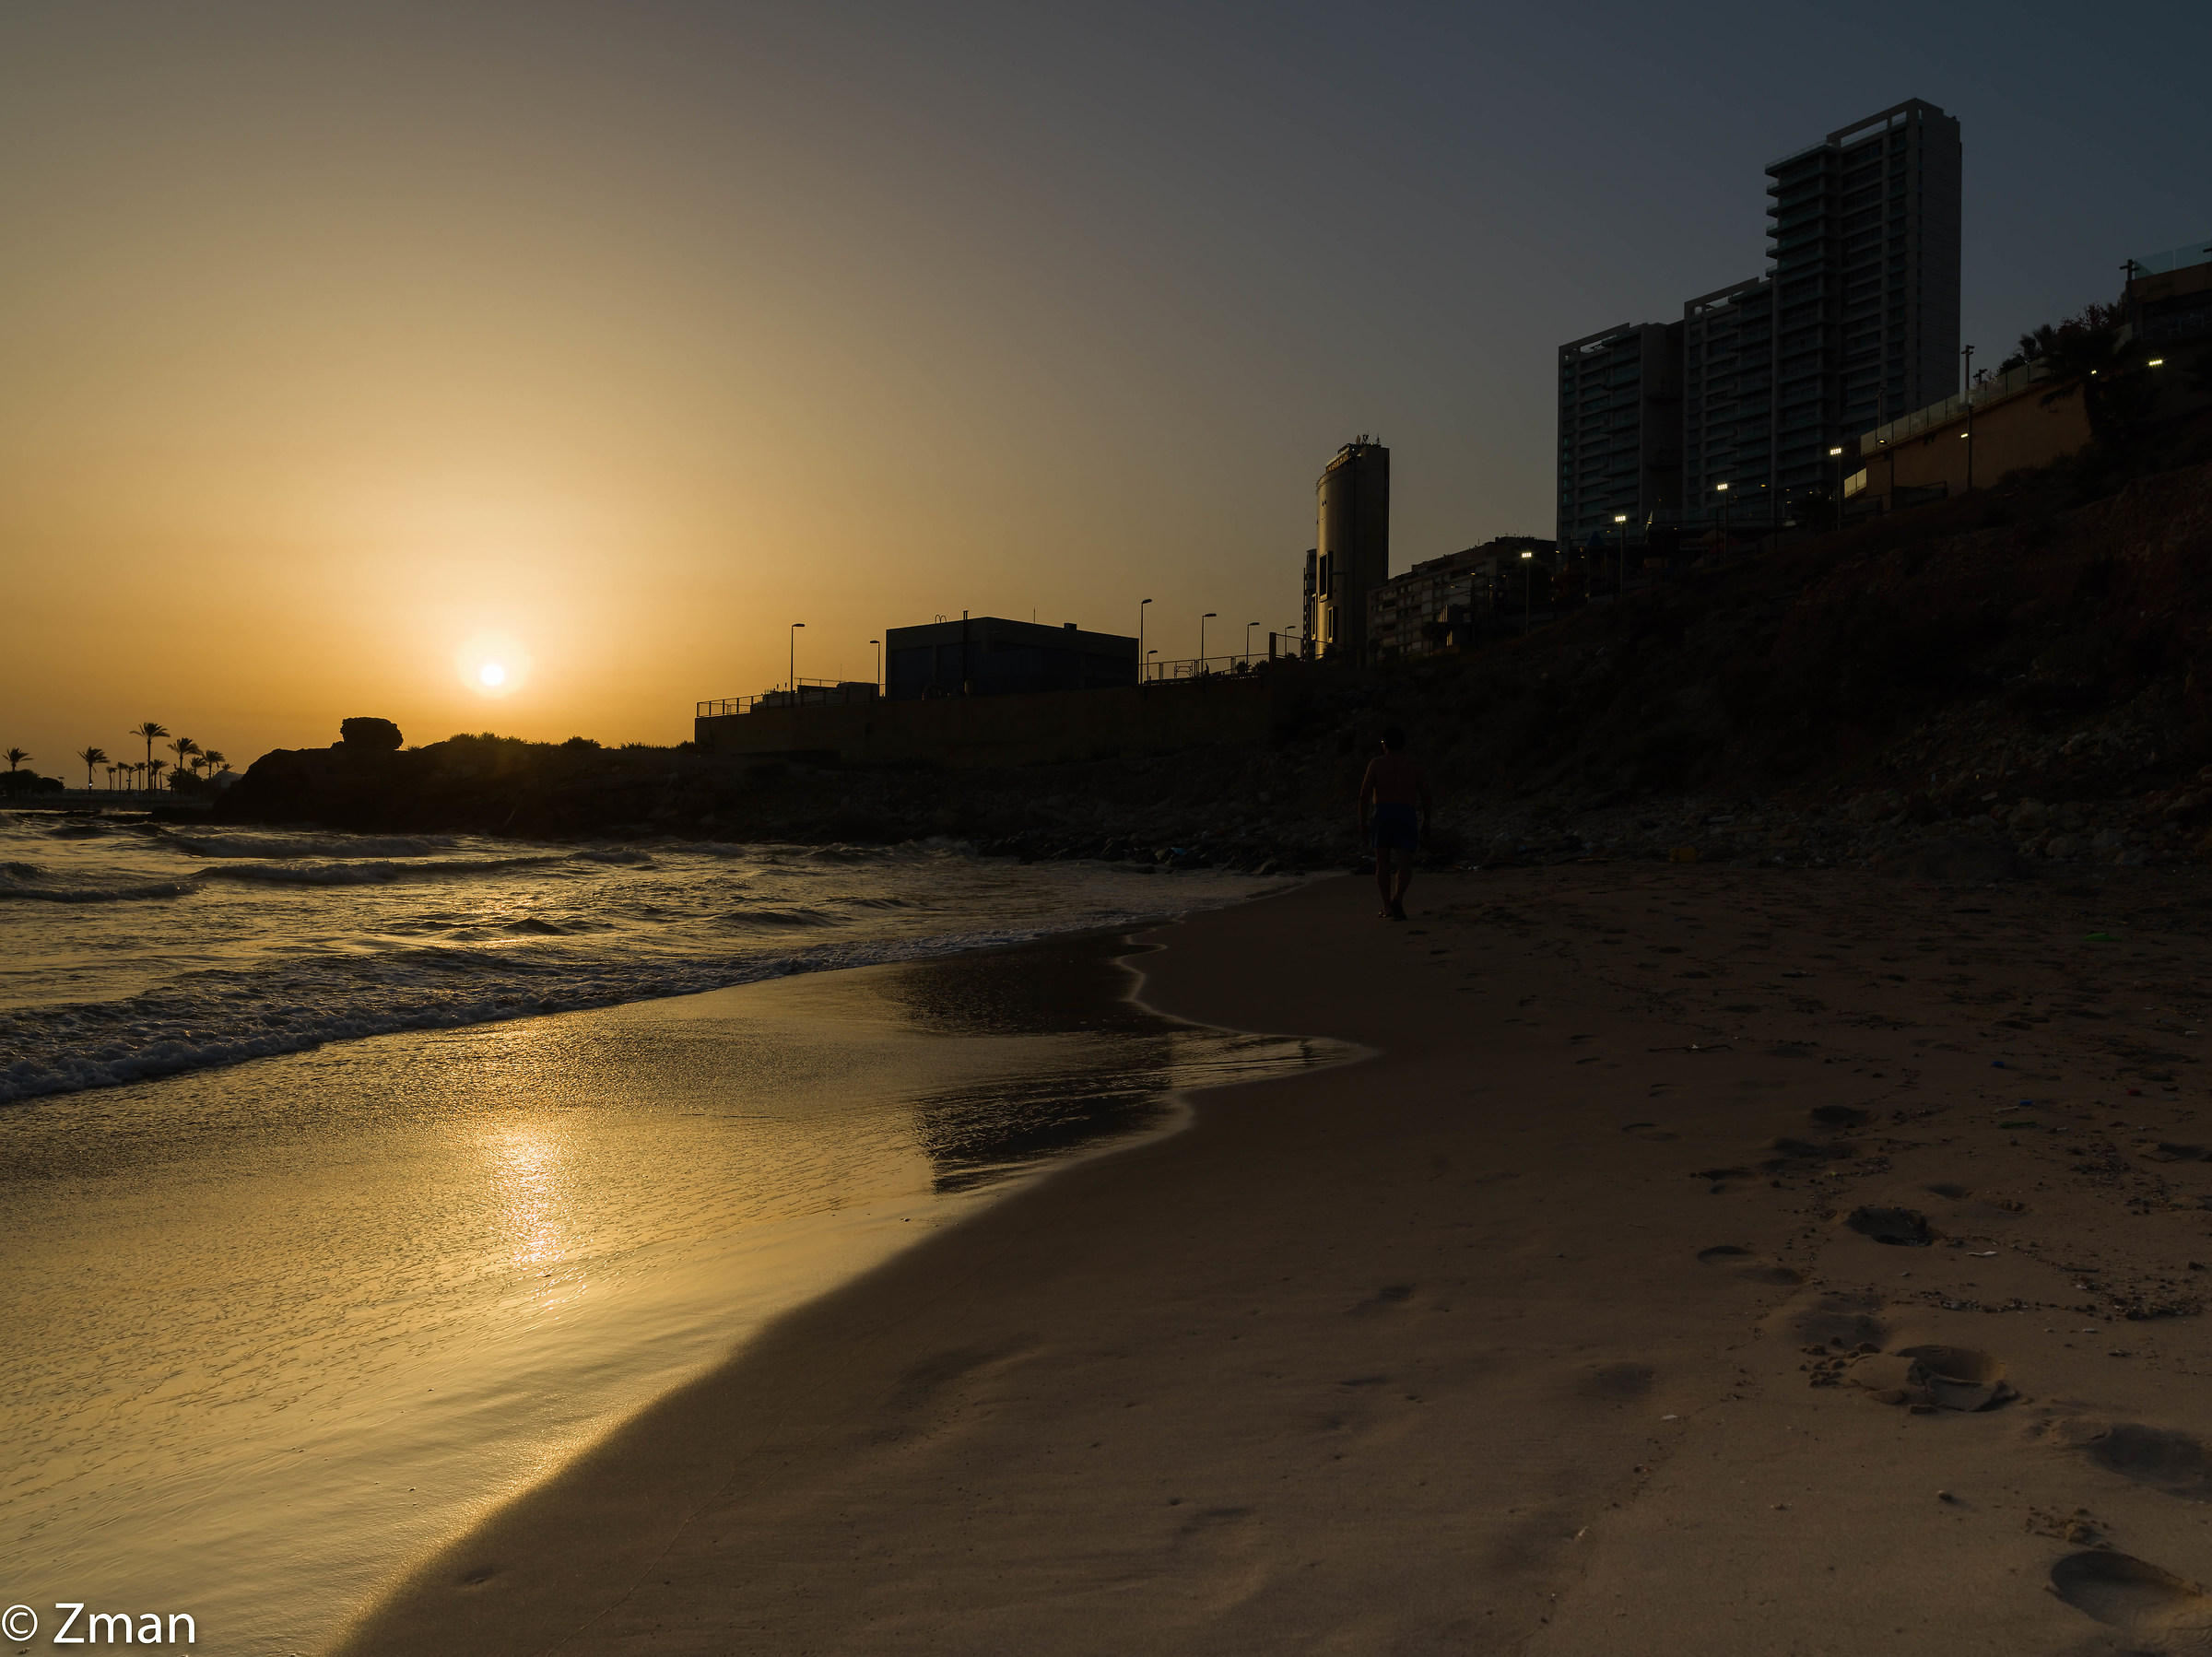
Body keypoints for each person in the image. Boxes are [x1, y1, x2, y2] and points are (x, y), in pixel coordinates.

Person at [1358, 725, 1431, 921]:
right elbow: (1425, 795)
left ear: (1384, 744)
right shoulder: (1414, 765)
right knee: (1405, 862)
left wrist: (1362, 822)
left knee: (1382, 862)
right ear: (1403, 744)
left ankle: (1387, 906)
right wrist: (1426, 821)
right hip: (1406, 813)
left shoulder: (1376, 764)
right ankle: (1397, 898)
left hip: (1383, 813)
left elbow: (1364, 796)